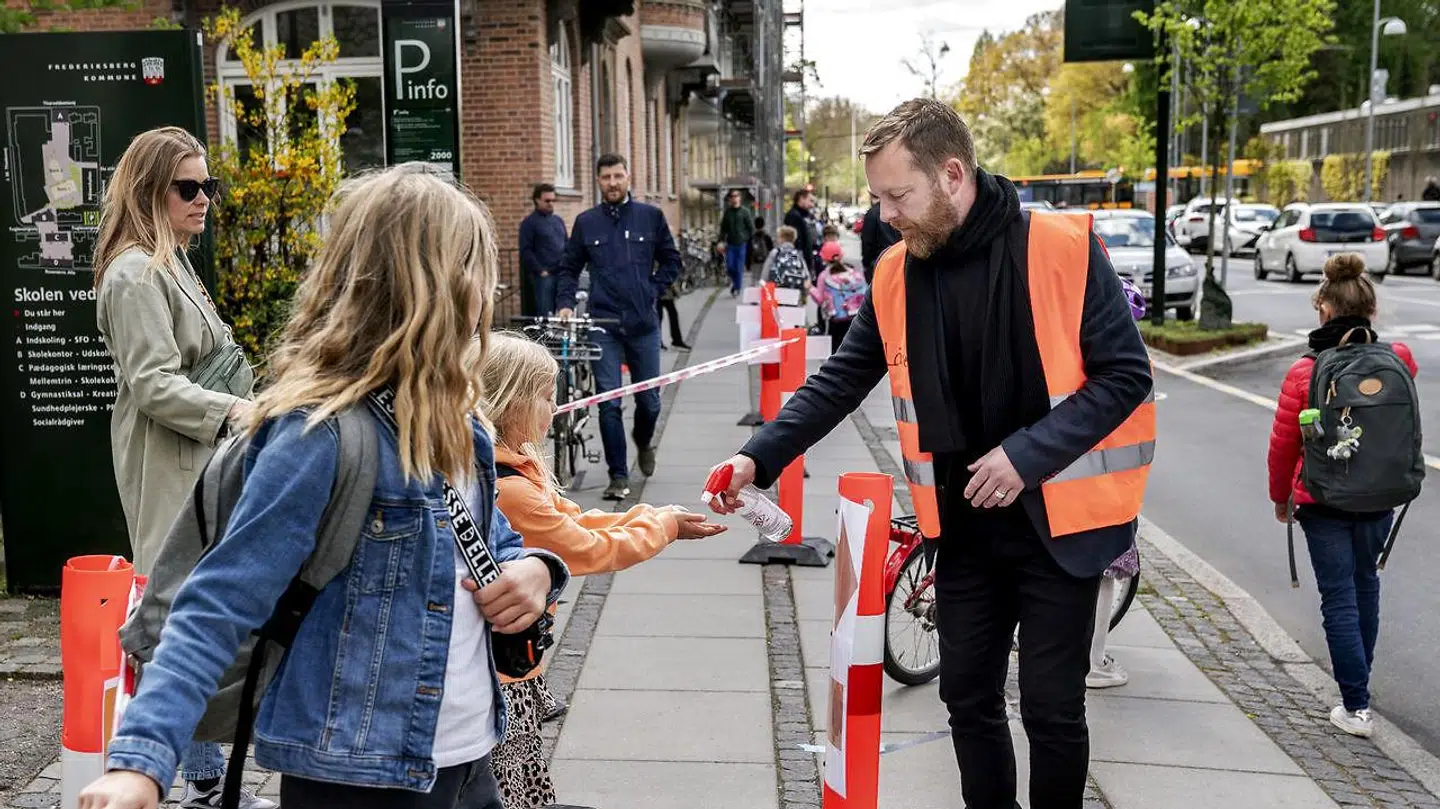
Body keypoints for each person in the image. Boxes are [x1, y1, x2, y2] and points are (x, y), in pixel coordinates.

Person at [705, 98, 1155, 809]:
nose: (884, 214)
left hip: (1062, 530)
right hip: (966, 528)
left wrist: (1025, 456)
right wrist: (757, 457)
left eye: (897, 195)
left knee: (1050, 708)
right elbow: (841, 380)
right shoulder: (896, 271)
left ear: (952, 174)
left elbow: (1126, 376)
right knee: (968, 697)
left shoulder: (1064, 246)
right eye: (879, 196)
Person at [78, 164, 570, 809]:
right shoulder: (320, 438)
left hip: (467, 756)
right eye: (477, 270)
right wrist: (139, 764)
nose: (491, 289)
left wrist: (537, 568)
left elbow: (494, 540)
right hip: (356, 773)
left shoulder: (463, 426)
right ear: (429, 287)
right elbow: (217, 602)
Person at [92, 126, 268, 809]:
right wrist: (235, 411)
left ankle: (196, 773)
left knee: (194, 611)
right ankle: (198, 778)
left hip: (200, 455)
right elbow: (153, 383)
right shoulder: (137, 272)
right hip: (170, 460)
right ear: (148, 191)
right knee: (178, 617)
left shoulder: (172, 260)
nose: (204, 200)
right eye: (187, 188)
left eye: (208, 186)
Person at [479, 333, 726, 807]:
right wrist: (664, 528)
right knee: (512, 785)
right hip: (503, 673)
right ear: (512, 403)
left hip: (515, 665)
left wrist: (654, 517)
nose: (555, 408)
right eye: (547, 398)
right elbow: (586, 547)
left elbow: (573, 518)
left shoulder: (514, 469)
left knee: (521, 776)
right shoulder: (509, 489)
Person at [1266, 253, 1418, 739]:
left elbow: (1283, 445)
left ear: (1324, 311)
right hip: (1380, 493)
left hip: (1322, 498)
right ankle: (1359, 689)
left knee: (1339, 596)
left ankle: (1355, 705)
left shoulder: (1304, 372)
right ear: (1371, 312)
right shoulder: (1398, 360)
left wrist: (1280, 498)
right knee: (1365, 585)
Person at [554, 155, 681, 501]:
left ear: (629, 176)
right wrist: (565, 302)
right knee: (608, 403)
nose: (612, 182)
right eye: (606, 177)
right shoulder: (586, 222)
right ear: (597, 180)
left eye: (618, 176)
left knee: (650, 402)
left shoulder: (650, 217)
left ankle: (643, 441)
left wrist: (652, 289)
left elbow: (672, 261)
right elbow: (568, 268)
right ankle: (618, 475)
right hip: (603, 323)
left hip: (643, 324)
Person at [519, 183, 567, 316]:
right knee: (545, 314)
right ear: (537, 200)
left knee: (562, 312)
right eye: (547, 201)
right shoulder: (529, 223)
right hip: (544, 277)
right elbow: (526, 250)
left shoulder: (558, 221)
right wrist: (540, 271)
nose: (551, 203)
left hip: (561, 273)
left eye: (553, 200)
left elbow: (566, 244)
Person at [809, 246, 867, 354]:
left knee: (837, 350)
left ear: (824, 259)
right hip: (854, 316)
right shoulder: (853, 272)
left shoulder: (824, 276)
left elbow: (820, 299)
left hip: (836, 319)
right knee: (853, 347)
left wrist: (810, 288)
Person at [719, 189, 755, 295]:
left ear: (740, 198)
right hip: (730, 244)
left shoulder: (745, 211)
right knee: (730, 266)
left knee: (739, 267)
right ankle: (735, 284)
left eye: (736, 196)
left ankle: (737, 288)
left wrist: (746, 238)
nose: (734, 198)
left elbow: (750, 228)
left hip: (741, 244)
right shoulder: (728, 213)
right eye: (732, 196)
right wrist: (720, 241)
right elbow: (723, 229)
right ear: (730, 199)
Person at [860, 192, 901, 283]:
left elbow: (867, 241)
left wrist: (865, 262)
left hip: (879, 262)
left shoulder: (872, 213)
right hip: (899, 260)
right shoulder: (897, 211)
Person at [761, 225, 811, 295]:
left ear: (781, 238)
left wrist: (762, 286)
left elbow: (765, 274)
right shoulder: (797, 254)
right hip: (794, 294)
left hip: (776, 292)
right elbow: (807, 277)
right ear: (794, 239)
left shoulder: (775, 253)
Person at [784, 189, 818, 275]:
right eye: (810, 201)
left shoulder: (803, 216)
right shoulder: (794, 216)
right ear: (801, 199)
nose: (812, 205)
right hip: (800, 259)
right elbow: (796, 240)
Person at [656, 281, 690, 351]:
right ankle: (658, 342)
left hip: (665, 291)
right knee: (659, 317)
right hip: (657, 291)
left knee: (671, 315)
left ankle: (676, 341)